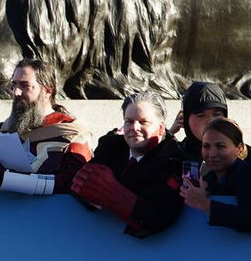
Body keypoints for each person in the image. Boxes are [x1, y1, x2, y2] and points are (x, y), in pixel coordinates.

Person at [0, 59, 90, 194]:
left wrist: (8, 180)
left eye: (24, 85)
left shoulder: (73, 133)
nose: (16, 93)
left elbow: (75, 183)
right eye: (14, 85)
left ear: (47, 91)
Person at [69, 91, 185, 237]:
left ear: (161, 128)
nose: (134, 127)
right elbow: (79, 183)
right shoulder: (110, 147)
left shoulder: (173, 160)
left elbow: (159, 216)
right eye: (129, 121)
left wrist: (114, 196)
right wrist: (94, 200)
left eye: (143, 122)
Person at [180, 117, 251, 232]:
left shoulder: (249, 175)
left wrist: (205, 204)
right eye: (206, 146)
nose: (212, 154)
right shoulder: (208, 179)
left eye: (220, 146)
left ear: (239, 148)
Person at [177, 81, 251, 175]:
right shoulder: (175, 155)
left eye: (217, 114)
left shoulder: (247, 156)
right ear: (185, 119)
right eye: (201, 115)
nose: (211, 121)